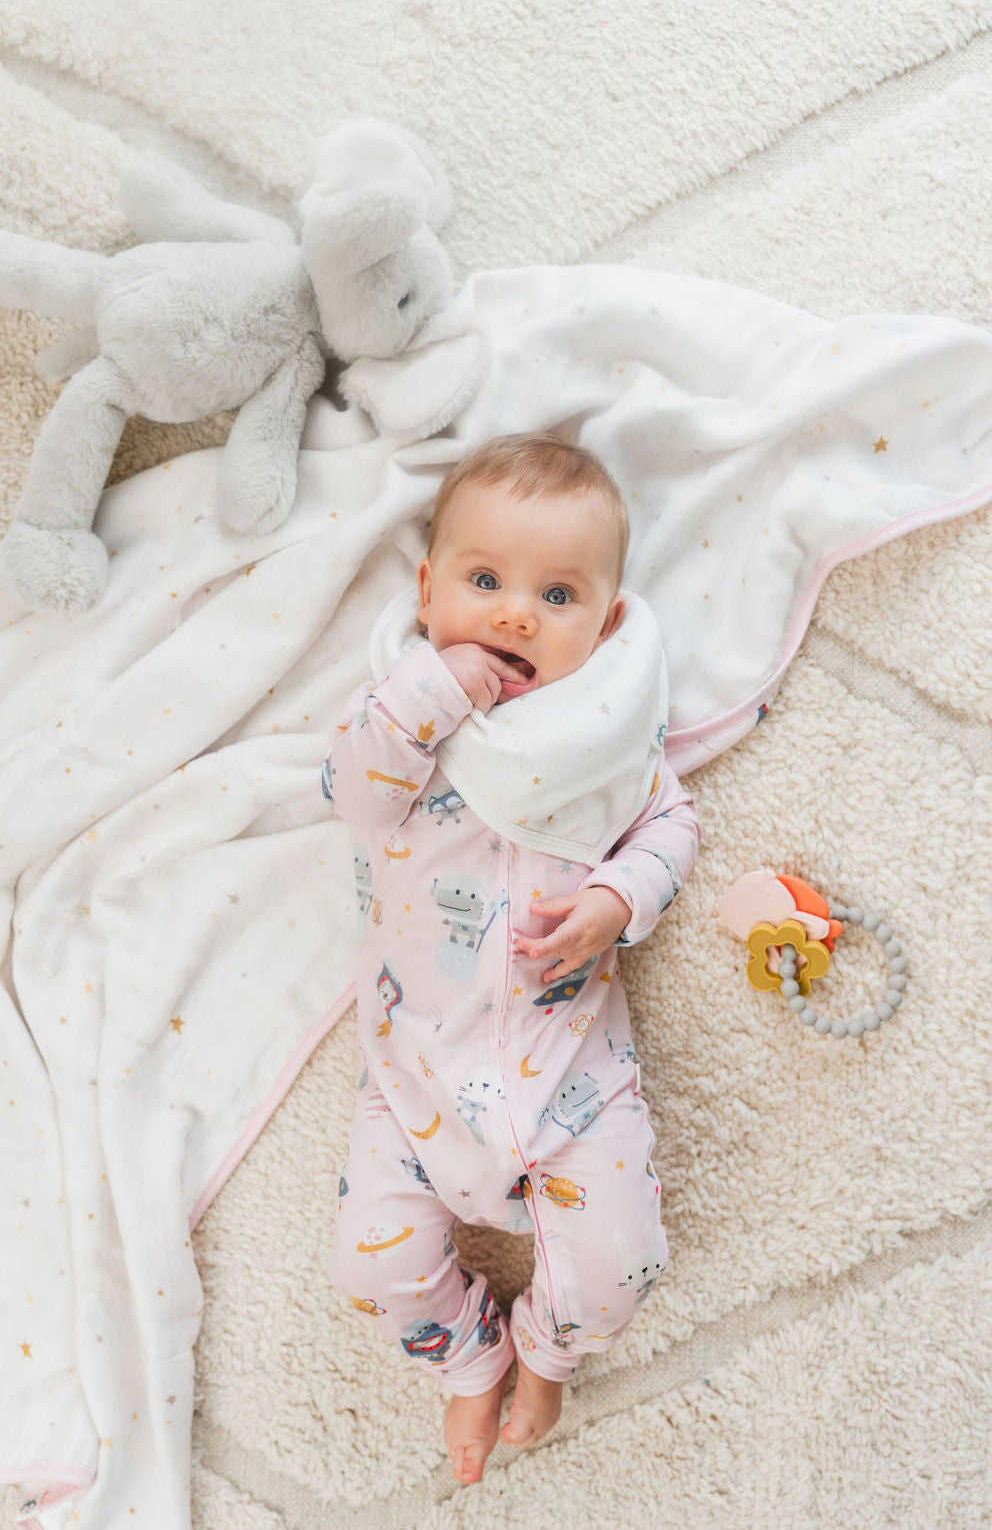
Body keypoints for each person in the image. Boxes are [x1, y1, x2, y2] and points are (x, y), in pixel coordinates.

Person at [323, 433, 700, 1484]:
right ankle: (469, 1356)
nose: (515, 615)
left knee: (621, 1267)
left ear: (608, 624)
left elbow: (672, 826)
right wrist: (432, 692)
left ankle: (545, 1347)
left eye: (557, 595)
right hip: (416, 1079)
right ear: (427, 589)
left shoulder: (603, 742)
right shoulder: (405, 717)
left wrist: (617, 900)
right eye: (484, 582)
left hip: (572, 1074)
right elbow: (350, 793)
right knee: (370, 1262)